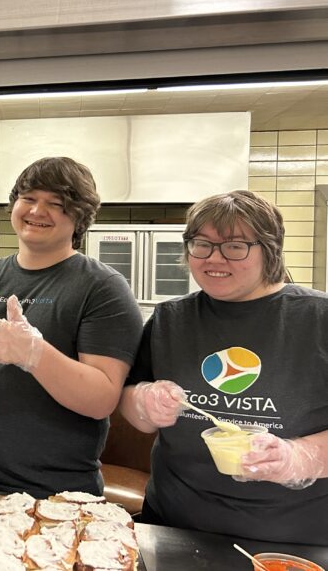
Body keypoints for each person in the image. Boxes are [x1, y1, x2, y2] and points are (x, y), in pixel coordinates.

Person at [0, 157, 143, 498]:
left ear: (79, 217)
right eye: (28, 198)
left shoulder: (102, 287)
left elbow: (101, 398)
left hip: (59, 489)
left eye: (56, 204)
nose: (37, 211)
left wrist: (34, 354)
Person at [119, 190, 328, 545]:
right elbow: (130, 404)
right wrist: (142, 402)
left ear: (270, 249)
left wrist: (298, 458)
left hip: (292, 539)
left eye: (235, 245)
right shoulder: (170, 318)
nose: (214, 258)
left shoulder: (318, 317)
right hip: (172, 527)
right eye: (201, 244)